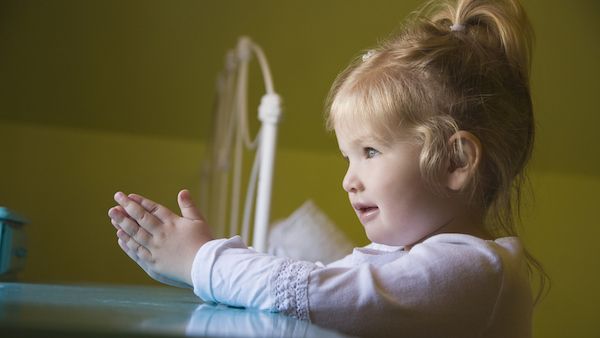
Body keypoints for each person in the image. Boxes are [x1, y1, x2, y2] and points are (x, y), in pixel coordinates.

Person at [108, 0, 548, 336]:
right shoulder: (425, 262)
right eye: (347, 157)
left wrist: (201, 260)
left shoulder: (473, 269)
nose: (348, 180)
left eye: (370, 152)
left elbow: (312, 291)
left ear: (455, 162)